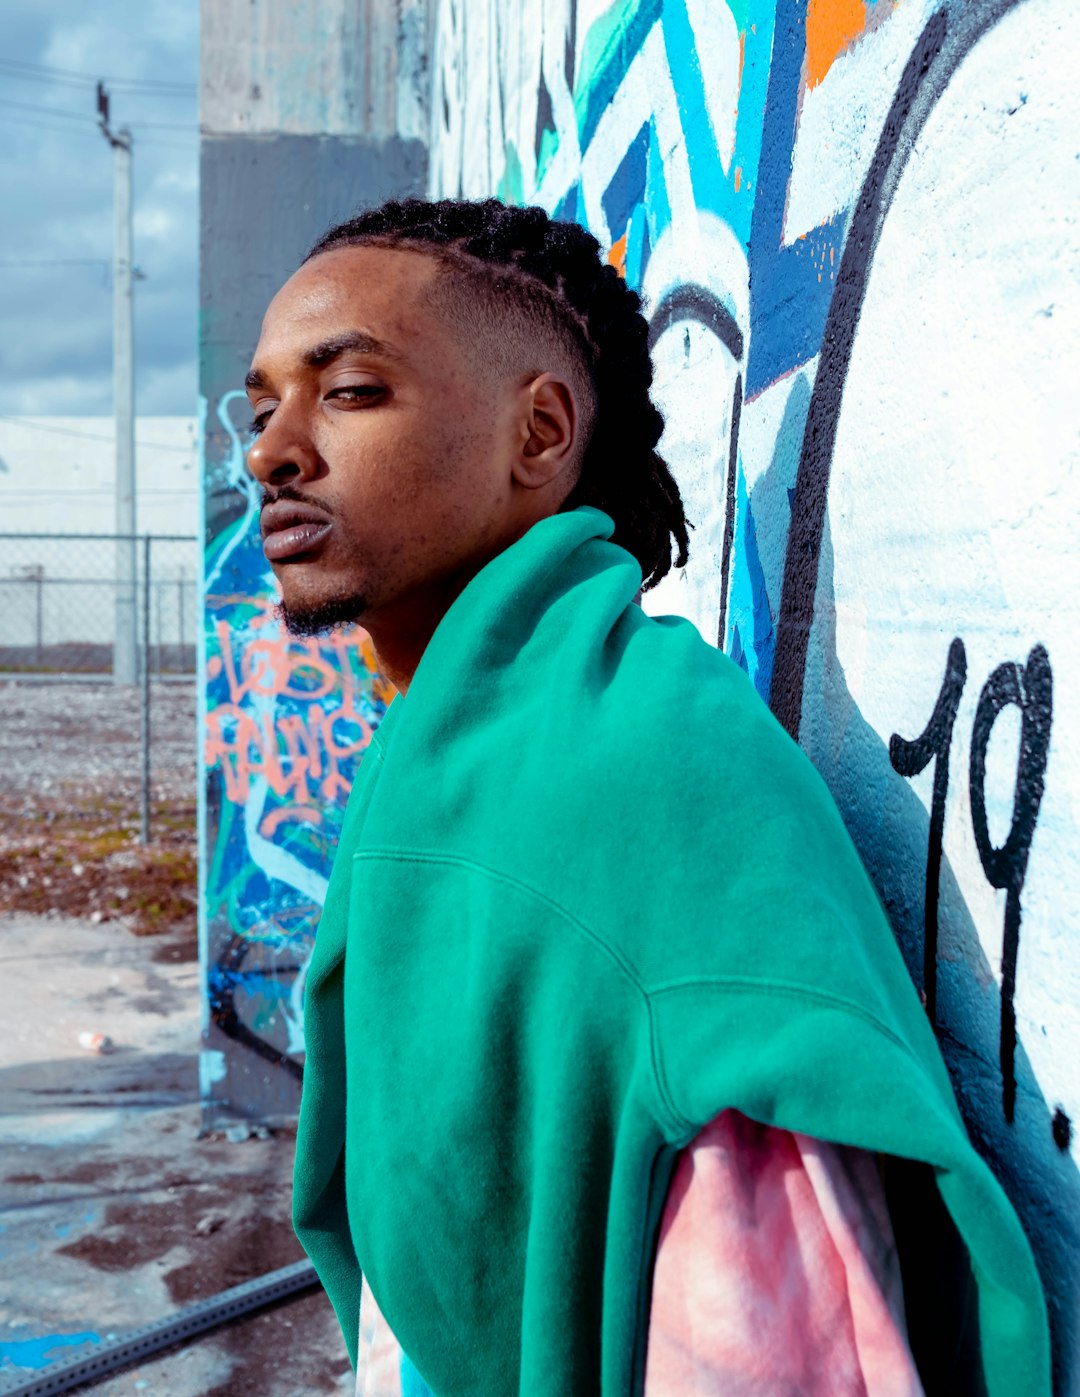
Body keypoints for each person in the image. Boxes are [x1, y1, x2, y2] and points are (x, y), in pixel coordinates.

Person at [244, 197, 1049, 1396]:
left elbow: (777, 1350)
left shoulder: (639, 774)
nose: (272, 449)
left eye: (349, 390)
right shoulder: (462, 750)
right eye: (262, 407)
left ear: (542, 432)